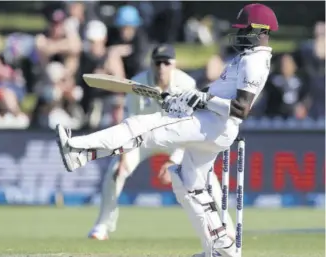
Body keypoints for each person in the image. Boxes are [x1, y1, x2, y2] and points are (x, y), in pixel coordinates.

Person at [56, 4, 278, 257]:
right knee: (187, 182)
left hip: (213, 124)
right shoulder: (245, 58)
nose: (238, 34)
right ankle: (220, 251)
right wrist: (185, 98)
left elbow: (241, 108)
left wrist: (201, 101)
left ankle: (80, 151)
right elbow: (214, 94)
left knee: (141, 125)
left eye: (243, 29)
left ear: (261, 30)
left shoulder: (255, 61)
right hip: (213, 126)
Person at [85, 44, 235, 242]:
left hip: (178, 137)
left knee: (206, 176)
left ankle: (227, 227)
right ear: (152, 64)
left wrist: (174, 160)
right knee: (115, 173)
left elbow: (190, 126)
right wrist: (122, 154)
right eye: (158, 62)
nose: (162, 67)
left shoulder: (186, 83)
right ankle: (102, 225)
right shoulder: (137, 84)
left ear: (173, 64)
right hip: (144, 138)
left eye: (166, 62)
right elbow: (129, 121)